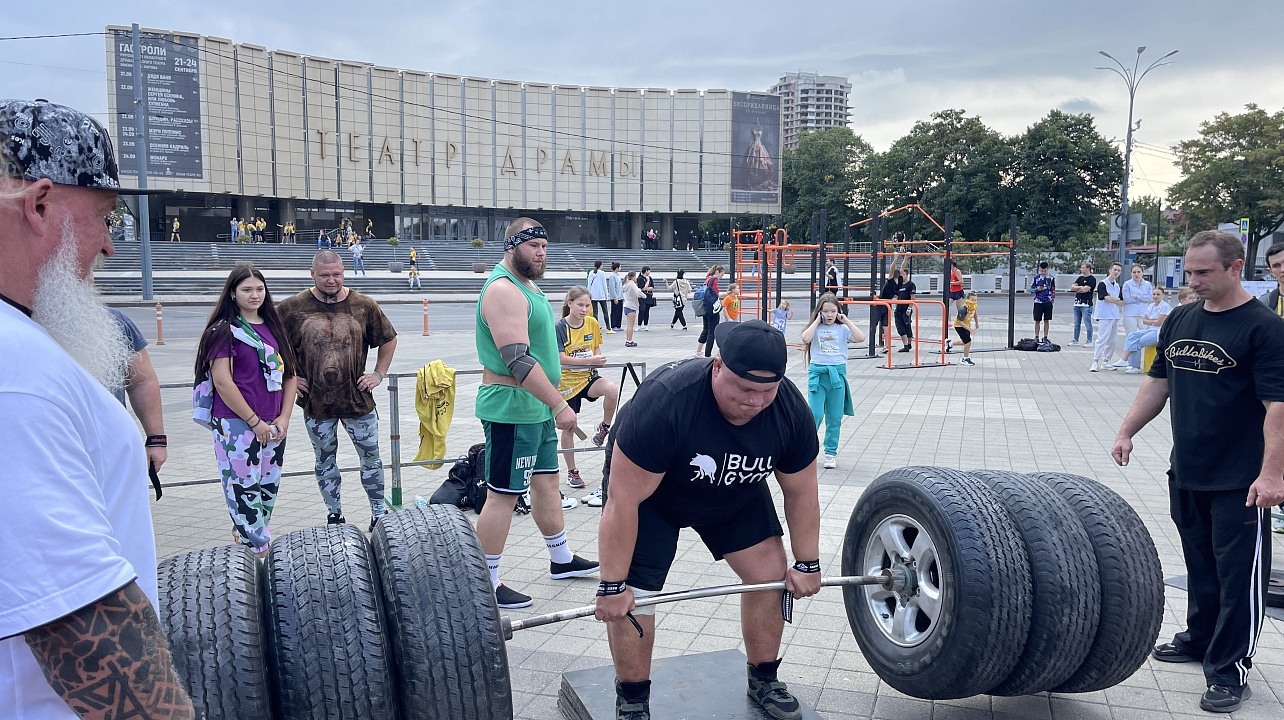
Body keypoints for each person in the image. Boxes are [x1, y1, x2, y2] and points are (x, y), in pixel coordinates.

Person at [0, 97, 198, 718]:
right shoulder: (14, 370)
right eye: (105, 217)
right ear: (37, 205)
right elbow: (82, 620)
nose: (111, 247)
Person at [595, 320, 821, 720]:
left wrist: (807, 563)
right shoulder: (667, 401)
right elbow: (622, 501)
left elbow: (801, 490)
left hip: (733, 490)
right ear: (717, 367)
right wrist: (611, 585)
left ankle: (763, 678)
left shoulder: (788, 411)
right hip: (653, 497)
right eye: (745, 389)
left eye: (766, 391)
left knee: (769, 572)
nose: (755, 401)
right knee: (636, 594)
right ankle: (632, 698)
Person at [1111, 230, 1284, 714]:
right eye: (1189, 271)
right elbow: (1157, 382)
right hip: (1187, 470)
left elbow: (1279, 407)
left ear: (1234, 268)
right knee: (1200, 564)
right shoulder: (1182, 317)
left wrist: (1272, 475)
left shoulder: (1264, 328)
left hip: (1241, 480)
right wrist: (1127, 432)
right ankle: (1200, 637)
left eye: (1203, 272)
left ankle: (1231, 669)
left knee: (1239, 576)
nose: (1193, 280)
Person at [475, 218, 599, 609]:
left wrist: (551, 403)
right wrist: (560, 403)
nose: (542, 252)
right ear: (512, 246)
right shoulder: (503, 290)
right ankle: (485, 581)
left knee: (547, 483)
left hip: (535, 407)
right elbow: (517, 360)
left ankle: (561, 560)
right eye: (534, 246)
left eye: (545, 245)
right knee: (503, 495)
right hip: (511, 407)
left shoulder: (528, 286)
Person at [277, 250, 398, 531]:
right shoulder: (291, 309)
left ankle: (378, 513)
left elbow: (389, 339)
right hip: (316, 405)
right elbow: (271, 346)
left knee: (371, 458)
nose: (331, 280)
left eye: (337, 275)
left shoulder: (363, 306)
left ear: (344, 272)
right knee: (324, 460)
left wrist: (378, 374)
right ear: (312, 274)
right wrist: (291, 376)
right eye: (325, 275)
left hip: (358, 402)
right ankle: (334, 515)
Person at [194, 264, 298, 557]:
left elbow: (290, 374)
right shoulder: (224, 332)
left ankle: (255, 540)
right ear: (232, 293)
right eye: (247, 289)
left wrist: (284, 418)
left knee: (267, 486)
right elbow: (223, 382)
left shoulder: (274, 327)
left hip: (274, 423)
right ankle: (257, 548)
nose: (254, 295)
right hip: (236, 424)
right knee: (243, 487)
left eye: (259, 289)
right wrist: (254, 422)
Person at [556, 286, 618, 490]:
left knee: (611, 389)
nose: (584, 309)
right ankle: (572, 471)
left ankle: (604, 427)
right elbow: (561, 358)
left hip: (588, 377)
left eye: (588, 305)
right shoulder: (560, 327)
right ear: (570, 303)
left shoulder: (591, 323)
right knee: (569, 425)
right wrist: (591, 359)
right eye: (580, 305)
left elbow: (596, 348)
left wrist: (597, 358)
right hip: (566, 382)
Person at [801, 293, 866, 469]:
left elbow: (860, 338)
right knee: (815, 414)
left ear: (838, 311)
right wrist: (816, 321)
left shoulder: (842, 329)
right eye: (825, 311)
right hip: (818, 374)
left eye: (833, 311)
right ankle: (805, 450)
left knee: (834, 417)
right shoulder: (816, 328)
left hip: (837, 374)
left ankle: (830, 452)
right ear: (820, 312)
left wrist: (846, 321)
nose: (829, 315)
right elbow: (805, 338)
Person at [106, 307, 169, 478]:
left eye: (88, 277)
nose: (90, 279)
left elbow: (142, 381)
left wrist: (156, 440)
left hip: (110, 447)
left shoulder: (114, 320)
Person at [1115, 287, 1174, 373]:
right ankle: (1126, 361)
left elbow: (1159, 323)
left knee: (1138, 342)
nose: (1155, 296)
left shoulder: (1165, 306)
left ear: (1163, 295)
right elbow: (1144, 321)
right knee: (1132, 336)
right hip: (1150, 329)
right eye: (1154, 294)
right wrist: (1153, 321)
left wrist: (1151, 321)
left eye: (1158, 294)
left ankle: (1134, 365)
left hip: (1158, 332)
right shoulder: (1151, 306)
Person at [1091, 262, 1124, 373]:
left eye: (1119, 270)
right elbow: (1105, 298)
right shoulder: (1102, 284)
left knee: (1112, 340)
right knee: (1102, 339)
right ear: (1110, 270)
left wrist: (1112, 298)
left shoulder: (1117, 286)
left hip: (1115, 315)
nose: (1116, 272)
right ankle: (1095, 362)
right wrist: (1113, 299)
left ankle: (1106, 361)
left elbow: (1120, 302)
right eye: (1115, 270)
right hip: (1105, 315)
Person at [695, 265, 724, 357]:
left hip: (705, 308)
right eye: (721, 275)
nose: (721, 278)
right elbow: (715, 295)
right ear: (717, 272)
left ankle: (698, 352)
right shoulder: (713, 280)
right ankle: (708, 353)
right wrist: (726, 294)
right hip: (711, 309)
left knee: (706, 329)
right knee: (712, 331)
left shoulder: (708, 278)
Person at [891, 252, 915, 353]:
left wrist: (909, 309)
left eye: (904, 274)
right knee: (900, 327)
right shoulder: (899, 284)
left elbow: (912, 298)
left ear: (907, 275)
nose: (902, 275)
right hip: (899, 309)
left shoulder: (910, 285)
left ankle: (909, 344)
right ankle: (905, 345)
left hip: (906, 309)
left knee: (907, 326)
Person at [1121, 264, 1154, 336]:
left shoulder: (1147, 284)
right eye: (1134, 272)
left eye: (1138, 272)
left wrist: (1136, 297)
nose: (1136, 274)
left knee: (1146, 334)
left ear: (1142, 273)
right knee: (1131, 335)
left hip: (1143, 313)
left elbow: (1150, 298)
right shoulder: (1127, 284)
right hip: (1130, 314)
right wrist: (1143, 298)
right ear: (1131, 273)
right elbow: (1126, 299)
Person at [1069, 262, 1097, 346]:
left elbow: (1086, 289)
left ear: (1088, 268)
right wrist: (1081, 287)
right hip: (1077, 303)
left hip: (1086, 304)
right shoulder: (1080, 278)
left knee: (1087, 323)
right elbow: (1073, 287)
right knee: (1076, 323)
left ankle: (1089, 341)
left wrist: (1079, 289)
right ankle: (1075, 339)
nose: (1081, 269)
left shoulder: (1092, 279)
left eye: (1083, 267)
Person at [1030, 261, 1055, 343]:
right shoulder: (1036, 278)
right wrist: (1037, 289)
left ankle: (1045, 336)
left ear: (1047, 269)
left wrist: (1052, 299)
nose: (1043, 272)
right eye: (1042, 271)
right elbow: (1031, 290)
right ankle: (1036, 336)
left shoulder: (1051, 278)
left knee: (1047, 320)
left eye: (1045, 271)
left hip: (1047, 301)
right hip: (1038, 301)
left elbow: (1053, 289)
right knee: (1037, 320)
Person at [954, 290, 979, 366]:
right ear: (968, 300)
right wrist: (969, 329)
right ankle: (965, 359)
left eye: (975, 300)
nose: (974, 302)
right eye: (972, 300)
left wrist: (977, 323)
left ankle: (950, 344)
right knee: (968, 341)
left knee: (964, 342)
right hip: (959, 326)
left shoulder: (973, 307)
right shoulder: (963, 309)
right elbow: (960, 321)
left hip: (967, 325)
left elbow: (975, 314)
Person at [588, 259, 611, 330]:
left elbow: (589, 284)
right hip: (601, 295)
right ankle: (608, 327)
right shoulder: (602, 273)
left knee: (595, 312)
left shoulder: (591, 273)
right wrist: (606, 294)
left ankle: (596, 327)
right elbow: (604, 285)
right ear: (600, 265)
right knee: (605, 312)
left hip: (593, 295)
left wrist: (588, 294)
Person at [622, 271, 641, 347]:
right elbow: (638, 292)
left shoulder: (626, 284)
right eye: (635, 276)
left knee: (629, 325)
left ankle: (628, 339)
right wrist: (644, 296)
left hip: (626, 305)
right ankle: (629, 341)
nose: (636, 278)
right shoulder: (632, 284)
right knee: (631, 325)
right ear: (632, 277)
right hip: (631, 306)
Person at [608, 261, 625, 332]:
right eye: (620, 267)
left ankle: (618, 325)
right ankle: (614, 325)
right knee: (615, 311)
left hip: (620, 296)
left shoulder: (617, 275)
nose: (620, 268)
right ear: (617, 268)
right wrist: (615, 297)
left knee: (619, 311)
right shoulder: (612, 276)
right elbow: (612, 287)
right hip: (616, 297)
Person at [637, 266, 655, 331]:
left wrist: (647, 288)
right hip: (642, 297)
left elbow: (652, 287)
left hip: (649, 296)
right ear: (646, 271)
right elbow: (642, 288)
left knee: (647, 311)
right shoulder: (640, 278)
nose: (649, 272)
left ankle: (646, 325)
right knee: (642, 310)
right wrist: (647, 281)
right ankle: (639, 325)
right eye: (649, 270)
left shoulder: (650, 278)